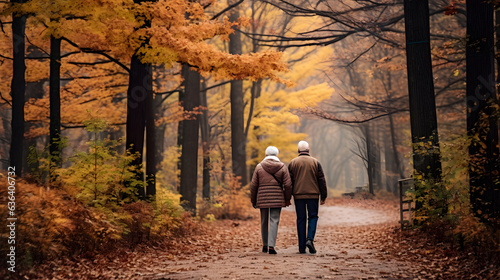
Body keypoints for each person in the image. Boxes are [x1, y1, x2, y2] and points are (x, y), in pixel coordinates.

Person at [250, 146, 292, 255]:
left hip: (262, 198)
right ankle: (271, 246)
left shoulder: (259, 167)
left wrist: (253, 200)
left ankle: (264, 245)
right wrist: (287, 198)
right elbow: (288, 185)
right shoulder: (282, 167)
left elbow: (254, 185)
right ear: (277, 154)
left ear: (266, 154)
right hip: (277, 198)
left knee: (264, 220)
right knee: (274, 220)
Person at [288, 140, 327, 254]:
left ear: (298, 150)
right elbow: (321, 180)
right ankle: (309, 239)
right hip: (313, 195)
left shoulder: (293, 163)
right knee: (313, 217)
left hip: (298, 195)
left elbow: (289, 182)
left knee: (301, 219)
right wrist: (323, 196)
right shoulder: (316, 162)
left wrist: (288, 197)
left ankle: (301, 247)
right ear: (308, 150)